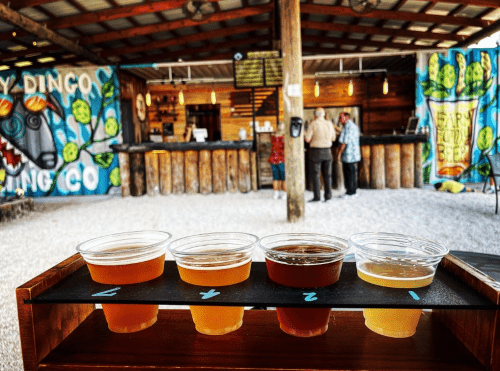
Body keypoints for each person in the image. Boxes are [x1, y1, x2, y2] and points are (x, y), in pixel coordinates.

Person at [304, 107, 336, 202]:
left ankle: (317, 197)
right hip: (327, 152)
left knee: (316, 175)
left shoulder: (313, 124)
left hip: (316, 152)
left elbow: (307, 139)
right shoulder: (329, 124)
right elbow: (333, 138)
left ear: (314, 115)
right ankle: (328, 196)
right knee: (328, 175)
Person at [337, 112, 361, 198]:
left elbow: (344, 142)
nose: (339, 119)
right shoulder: (354, 126)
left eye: (341, 117)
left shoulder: (347, 127)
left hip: (348, 154)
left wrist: (339, 153)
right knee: (352, 172)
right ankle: (353, 190)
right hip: (354, 153)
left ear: (346, 118)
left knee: (348, 173)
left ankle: (350, 192)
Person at [269, 122, 286, 199]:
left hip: (273, 159)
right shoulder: (284, 137)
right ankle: (284, 193)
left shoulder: (273, 136)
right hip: (282, 158)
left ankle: (276, 194)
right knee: (284, 177)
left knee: (275, 177)